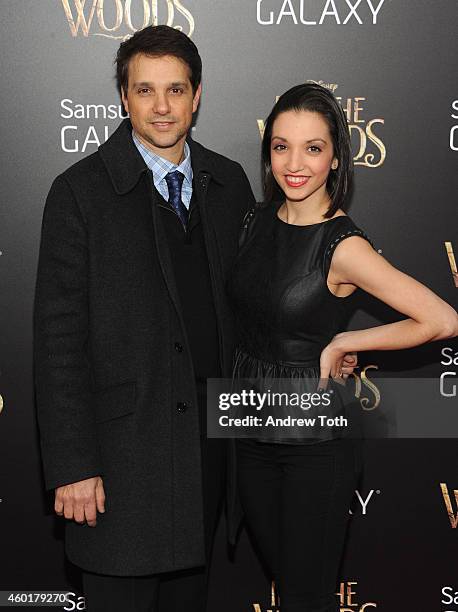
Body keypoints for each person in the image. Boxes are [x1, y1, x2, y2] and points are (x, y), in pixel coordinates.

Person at [33, 24, 260, 612]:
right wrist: (74, 465)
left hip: (206, 461)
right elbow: (58, 343)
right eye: (145, 90)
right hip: (119, 466)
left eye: (176, 90)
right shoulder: (79, 193)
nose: (162, 107)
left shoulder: (228, 182)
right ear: (124, 98)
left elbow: (255, 300)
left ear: (198, 95)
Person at [227, 83, 458, 612]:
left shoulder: (344, 245)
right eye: (281, 145)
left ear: (335, 158)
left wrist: (349, 339)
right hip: (247, 427)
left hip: (315, 441)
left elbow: (442, 319)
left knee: (305, 595)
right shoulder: (254, 221)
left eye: (313, 148)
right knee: (289, 585)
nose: (295, 163)